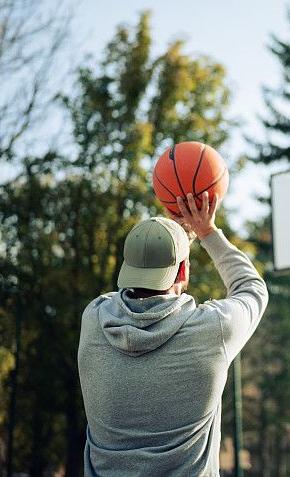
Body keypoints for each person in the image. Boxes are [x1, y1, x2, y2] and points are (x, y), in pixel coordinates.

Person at [78, 192, 268, 476]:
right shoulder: (213, 329)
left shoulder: (94, 319)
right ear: (184, 272)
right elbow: (252, 288)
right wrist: (205, 230)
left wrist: (174, 244)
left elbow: (119, 298)